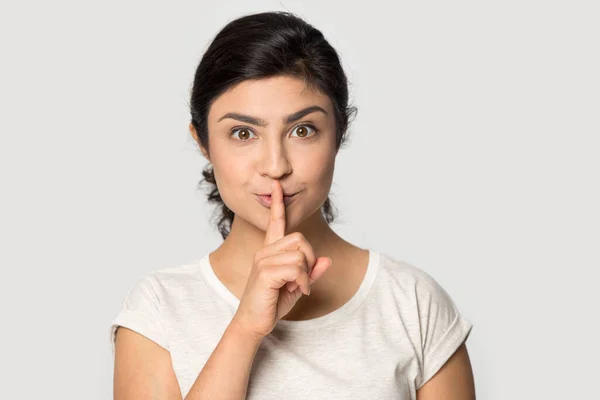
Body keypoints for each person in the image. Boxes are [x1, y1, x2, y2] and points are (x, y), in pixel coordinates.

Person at [109, 11, 475, 400]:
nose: (275, 166)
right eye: (243, 133)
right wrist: (246, 328)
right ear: (202, 142)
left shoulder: (412, 303)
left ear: (339, 135)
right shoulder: (157, 310)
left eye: (302, 130)